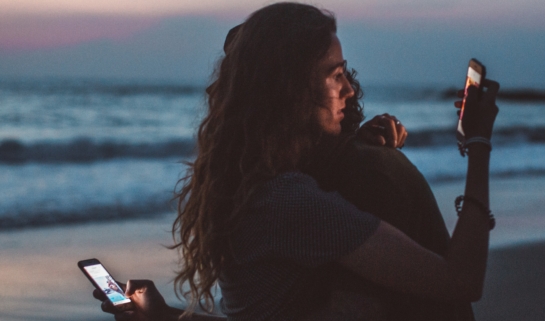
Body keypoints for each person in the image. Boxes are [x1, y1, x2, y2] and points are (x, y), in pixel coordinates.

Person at [94, 2, 499, 320]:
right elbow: (461, 280)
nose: (350, 90)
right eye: (334, 74)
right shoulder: (291, 202)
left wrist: (165, 315)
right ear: (290, 89)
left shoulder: (249, 184)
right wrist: (478, 145)